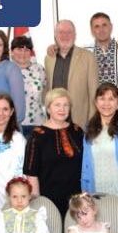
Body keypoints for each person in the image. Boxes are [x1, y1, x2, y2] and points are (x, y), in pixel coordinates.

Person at [24, 88, 84, 217]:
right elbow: (31, 173)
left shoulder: (77, 131)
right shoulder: (37, 135)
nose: (62, 109)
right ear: (48, 109)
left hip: (76, 199)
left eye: (66, 105)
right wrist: (39, 203)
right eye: (57, 105)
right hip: (48, 200)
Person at [81, 82, 118, 197]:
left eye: (111, 99)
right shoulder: (88, 129)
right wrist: (85, 192)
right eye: (102, 98)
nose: (106, 103)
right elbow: (85, 166)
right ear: (96, 102)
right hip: (96, 193)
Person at [44, 20, 98, 127]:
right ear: (55, 36)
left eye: (69, 32)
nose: (65, 36)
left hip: (79, 120)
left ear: (75, 35)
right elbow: (47, 87)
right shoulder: (49, 58)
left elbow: (94, 91)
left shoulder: (88, 57)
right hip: (54, 120)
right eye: (61, 32)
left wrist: (93, 120)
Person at [0, 93, 26, 214]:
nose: (1, 113)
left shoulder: (18, 139)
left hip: (11, 204)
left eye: (5, 109)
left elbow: (21, 173)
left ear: (11, 112)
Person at [10, 35, 47, 136]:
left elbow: (46, 93)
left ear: (31, 52)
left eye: (26, 50)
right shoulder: (7, 70)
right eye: (19, 49)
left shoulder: (39, 69)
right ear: (12, 51)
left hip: (37, 122)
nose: (23, 53)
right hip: (13, 124)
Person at [88, 12, 118, 86]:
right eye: (97, 26)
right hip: (94, 93)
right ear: (92, 30)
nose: (101, 30)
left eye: (104, 25)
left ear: (111, 27)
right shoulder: (85, 52)